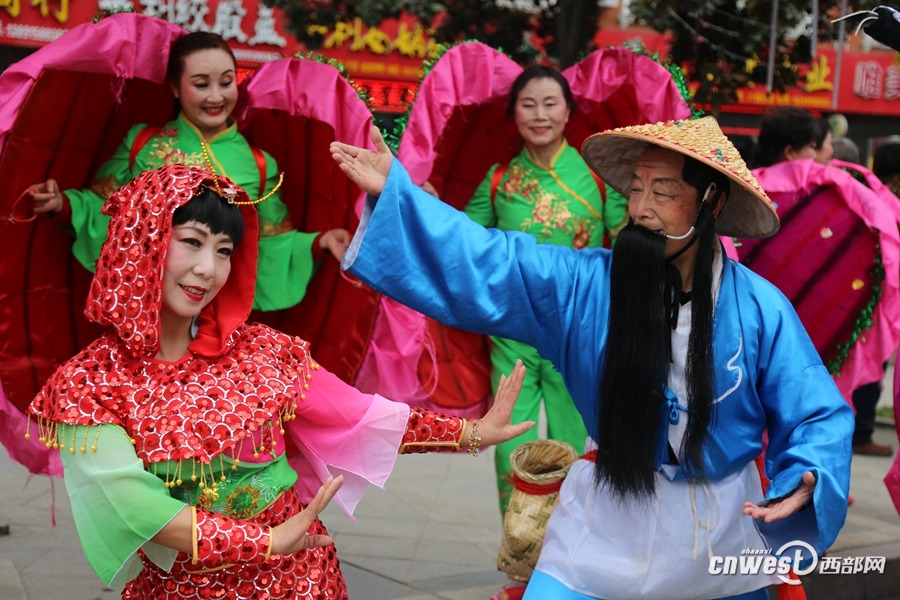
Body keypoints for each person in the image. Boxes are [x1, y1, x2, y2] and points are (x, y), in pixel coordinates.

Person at [330, 117, 853, 599]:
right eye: (635, 189)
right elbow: (492, 261)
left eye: (662, 191)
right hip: (606, 519)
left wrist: (808, 475)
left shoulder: (760, 308)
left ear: (711, 202)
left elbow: (816, 412)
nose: (640, 208)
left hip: (721, 528)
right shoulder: (583, 286)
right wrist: (399, 197)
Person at [27, 164, 533, 599]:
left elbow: (358, 414)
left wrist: (471, 434)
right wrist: (264, 542)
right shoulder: (89, 386)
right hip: (184, 587)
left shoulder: (262, 352)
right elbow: (135, 506)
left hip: (299, 577)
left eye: (224, 250)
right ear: (144, 240)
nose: (208, 269)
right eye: (192, 242)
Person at [26, 31, 350, 312]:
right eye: (201, 84)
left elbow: (270, 242)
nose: (216, 96)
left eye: (226, 82)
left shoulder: (260, 165)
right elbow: (104, 211)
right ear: (175, 88)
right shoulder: (142, 143)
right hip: (139, 303)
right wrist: (61, 204)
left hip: (213, 308)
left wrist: (319, 243)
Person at [752, 107, 899, 458]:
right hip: (804, 365)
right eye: (823, 146)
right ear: (792, 152)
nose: (831, 153)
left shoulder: (740, 195)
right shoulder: (837, 201)